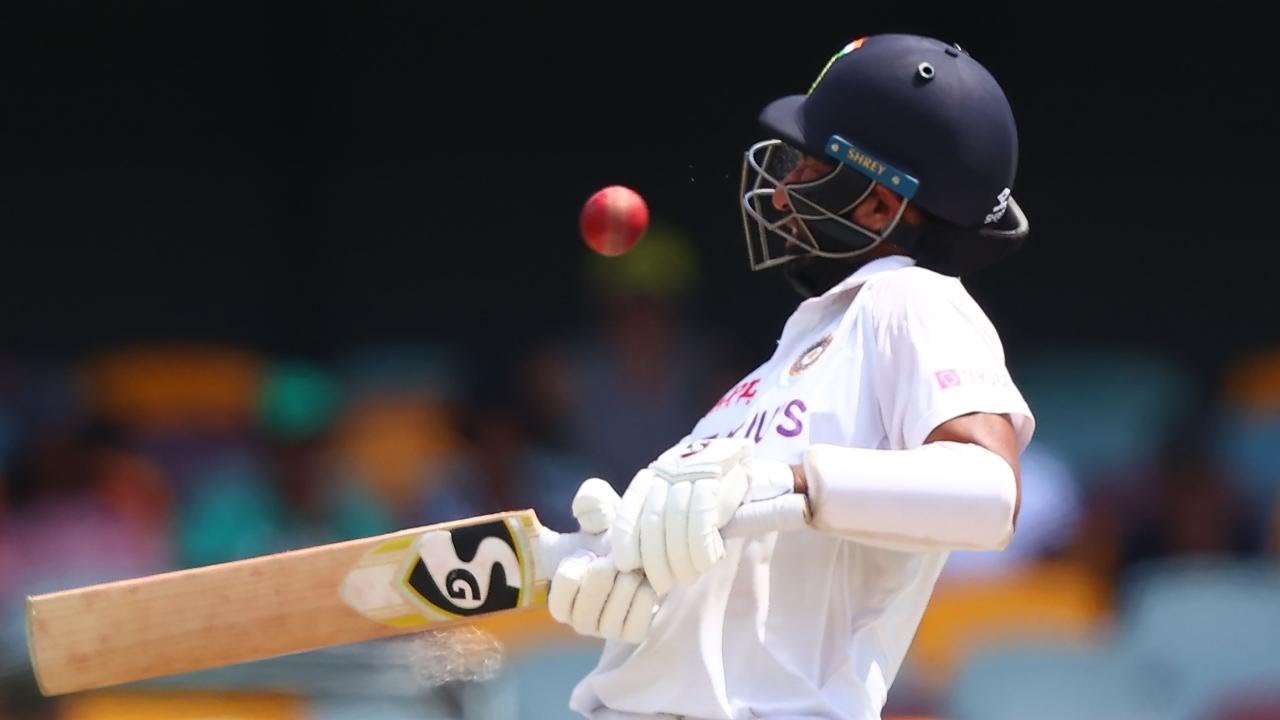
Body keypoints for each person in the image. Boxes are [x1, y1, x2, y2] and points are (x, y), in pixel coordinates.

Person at [544, 33, 1037, 720]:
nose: (780, 195)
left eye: (809, 167)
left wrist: (787, 483)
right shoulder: (773, 372)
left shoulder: (910, 297)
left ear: (880, 206)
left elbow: (987, 494)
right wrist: (619, 573)